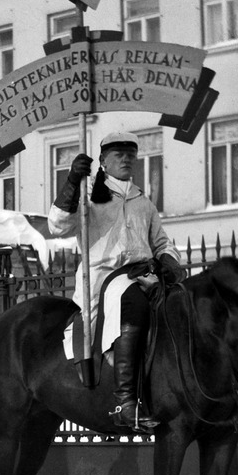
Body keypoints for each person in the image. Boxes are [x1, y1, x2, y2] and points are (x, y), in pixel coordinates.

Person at [48, 132, 185, 434]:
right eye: (118, 154)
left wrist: (170, 261)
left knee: (181, 304)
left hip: (144, 274)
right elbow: (56, 225)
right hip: (105, 278)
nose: (125, 159)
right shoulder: (89, 199)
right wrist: (71, 182)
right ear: (103, 161)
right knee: (133, 299)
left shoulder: (143, 201)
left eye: (130, 154)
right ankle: (125, 403)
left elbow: (161, 242)